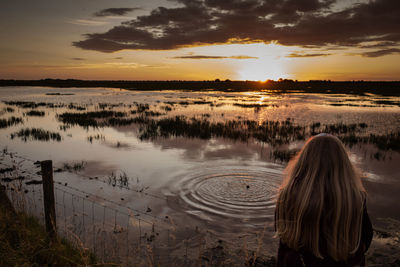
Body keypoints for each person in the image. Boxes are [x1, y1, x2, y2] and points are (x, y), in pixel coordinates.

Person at [275, 133, 373, 266]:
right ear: (343, 164)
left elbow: (283, 237)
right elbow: (366, 239)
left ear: (303, 162)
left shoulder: (287, 196)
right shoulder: (356, 199)